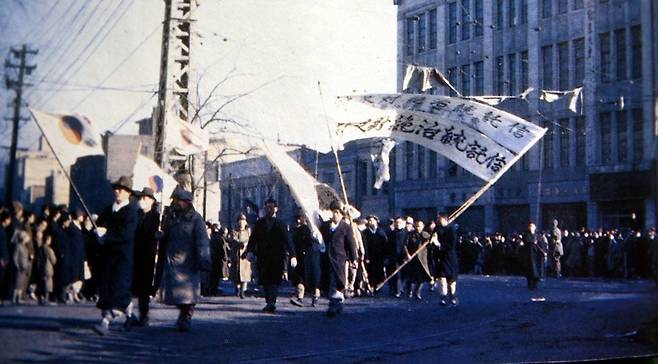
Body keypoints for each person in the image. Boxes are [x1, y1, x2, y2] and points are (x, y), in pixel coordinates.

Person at [93, 176, 140, 336]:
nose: (117, 191)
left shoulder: (132, 212)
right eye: (116, 188)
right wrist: (97, 232)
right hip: (107, 258)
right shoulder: (108, 210)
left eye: (121, 189)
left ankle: (105, 322)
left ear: (128, 193)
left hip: (123, 258)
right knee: (107, 289)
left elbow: (126, 234)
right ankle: (129, 316)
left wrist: (106, 235)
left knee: (119, 290)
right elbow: (99, 225)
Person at [160, 189, 211, 332]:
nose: (174, 203)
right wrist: (161, 235)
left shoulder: (196, 218)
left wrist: (203, 259)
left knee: (187, 295)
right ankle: (183, 315)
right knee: (176, 294)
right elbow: (166, 234)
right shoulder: (171, 217)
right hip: (173, 260)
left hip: (189, 262)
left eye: (177, 200)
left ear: (186, 202)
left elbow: (202, 240)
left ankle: (186, 317)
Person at [246, 198, 296, 313]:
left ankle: (271, 302)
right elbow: (253, 239)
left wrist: (293, 255)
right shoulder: (260, 223)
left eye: (271, 207)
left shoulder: (281, 224)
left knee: (274, 280)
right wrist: (250, 251)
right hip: (263, 256)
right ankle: (269, 301)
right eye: (267, 207)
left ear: (276, 209)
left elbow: (288, 240)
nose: (269, 209)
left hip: (277, 257)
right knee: (265, 280)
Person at [320, 201, 357, 316]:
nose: (335, 215)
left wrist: (353, 259)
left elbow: (351, 244)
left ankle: (334, 305)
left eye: (337, 212)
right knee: (329, 281)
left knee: (337, 281)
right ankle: (337, 303)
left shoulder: (346, 227)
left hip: (340, 259)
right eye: (333, 212)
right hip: (327, 258)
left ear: (341, 214)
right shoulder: (325, 226)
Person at [131, 188, 161, 327]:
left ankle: (144, 315)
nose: (142, 200)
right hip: (134, 254)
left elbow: (153, 234)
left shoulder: (156, 216)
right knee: (131, 287)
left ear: (152, 201)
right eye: (141, 198)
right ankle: (129, 315)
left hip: (147, 256)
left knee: (144, 289)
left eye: (145, 198)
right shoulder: (135, 214)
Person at [289, 214, 323, 307]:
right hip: (301, 257)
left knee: (315, 278)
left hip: (314, 256)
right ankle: (300, 298)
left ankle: (315, 297)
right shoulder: (299, 230)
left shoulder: (317, 230)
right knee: (300, 278)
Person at [433, 213, 459, 306]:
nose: (437, 220)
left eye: (439, 218)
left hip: (450, 258)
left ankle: (452, 296)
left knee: (452, 280)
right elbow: (432, 241)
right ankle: (443, 297)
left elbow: (452, 244)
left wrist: (440, 245)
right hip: (440, 258)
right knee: (442, 278)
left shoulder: (451, 229)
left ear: (444, 219)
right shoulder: (436, 229)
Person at [404, 220, 432, 300]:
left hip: (422, 259)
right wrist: (407, 254)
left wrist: (431, 240)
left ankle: (417, 292)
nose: (418, 228)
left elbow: (430, 245)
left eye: (419, 226)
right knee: (410, 277)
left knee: (421, 277)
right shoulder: (409, 235)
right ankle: (410, 291)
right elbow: (405, 245)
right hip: (412, 259)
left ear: (422, 226)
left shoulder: (426, 235)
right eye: (416, 226)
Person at [229, 213, 252, 299]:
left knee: (245, 274)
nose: (241, 224)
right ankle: (237, 289)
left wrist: (246, 245)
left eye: (243, 222)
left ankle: (243, 291)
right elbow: (233, 240)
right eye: (240, 222)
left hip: (245, 256)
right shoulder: (234, 232)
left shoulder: (247, 232)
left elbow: (250, 241)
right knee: (236, 274)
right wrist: (239, 243)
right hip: (236, 256)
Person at [362, 215, 387, 291]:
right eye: (369, 221)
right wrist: (366, 257)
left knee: (379, 271)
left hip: (379, 256)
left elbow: (385, 244)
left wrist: (385, 256)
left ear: (376, 221)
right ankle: (371, 286)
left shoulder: (381, 231)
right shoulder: (365, 233)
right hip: (370, 256)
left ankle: (378, 285)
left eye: (372, 220)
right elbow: (364, 245)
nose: (371, 222)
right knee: (370, 272)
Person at [386, 217, 408, 298]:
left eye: (399, 222)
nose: (398, 224)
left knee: (403, 274)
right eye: (396, 222)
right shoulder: (392, 233)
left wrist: (407, 254)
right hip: (394, 257)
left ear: (403, 223)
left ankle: (401, 287)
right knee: (397, 274)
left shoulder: (406, 233)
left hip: (404, 257)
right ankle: (397, 290)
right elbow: (388, 246)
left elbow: (407, 245)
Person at [521, 223, 546, 291]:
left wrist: (544, 251)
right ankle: (530, 284)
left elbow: (541, 244)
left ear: (535, 228)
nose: (531, 228)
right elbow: (526, 241)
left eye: (532, 227)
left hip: (537, 255)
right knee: (530, 271)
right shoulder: (526, 235)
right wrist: (532, 242)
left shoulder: (538, 235)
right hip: (529, 256)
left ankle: (535, 284)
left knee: (537, 271)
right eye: (530, 227)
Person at [37, 233, 57, 305]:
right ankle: (46, 299)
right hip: (47, 268)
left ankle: (40, 299)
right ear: (48, 240)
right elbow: (53, 260)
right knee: (47, 285)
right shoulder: (49, 249)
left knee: (41, 284)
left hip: (40, 268)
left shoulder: (40, 248)